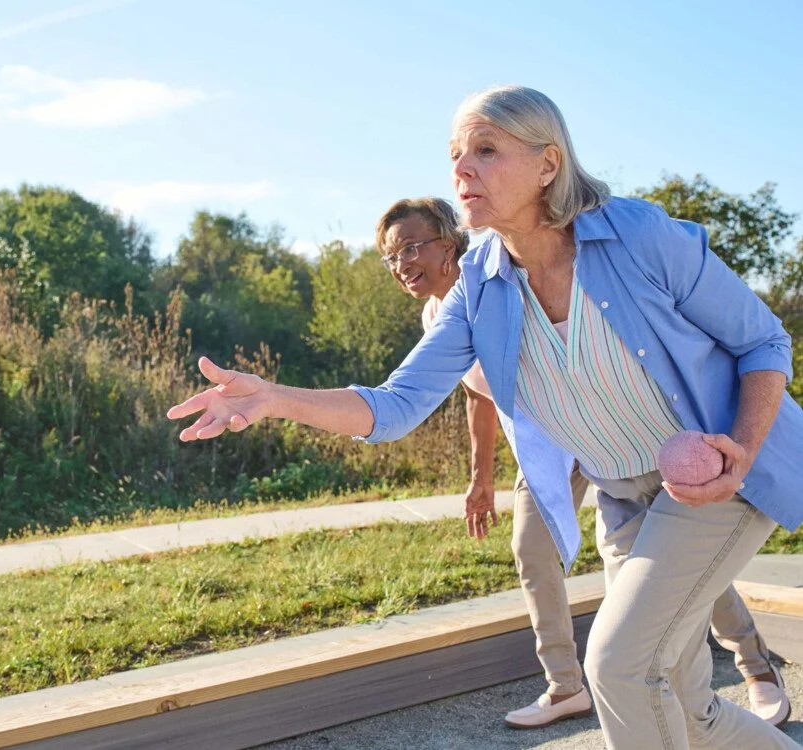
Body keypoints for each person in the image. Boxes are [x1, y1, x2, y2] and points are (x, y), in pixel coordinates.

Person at [168, 85, 803, 749]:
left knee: (617, 668)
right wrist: (273, 396)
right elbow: (394, 406)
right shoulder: (478, 283)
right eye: (454, 154)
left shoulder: (638, 236)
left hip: (715, 480)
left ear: (548, 165)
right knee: (686, 704)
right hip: (624, 499)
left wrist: (740, 448)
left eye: (486, 150)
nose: (461, 169)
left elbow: (762, 343)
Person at [373, 196, 790, 730]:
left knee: (675, 561)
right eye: (391, 256)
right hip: (544, 452)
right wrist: (480, 480)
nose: (402, 263)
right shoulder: (437, 315)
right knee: (533, 551)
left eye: (411, 247)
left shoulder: (492, 279)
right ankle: (566, 685)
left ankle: (755, 664)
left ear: (449, 243)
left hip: (598, 432)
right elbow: (475, 399)